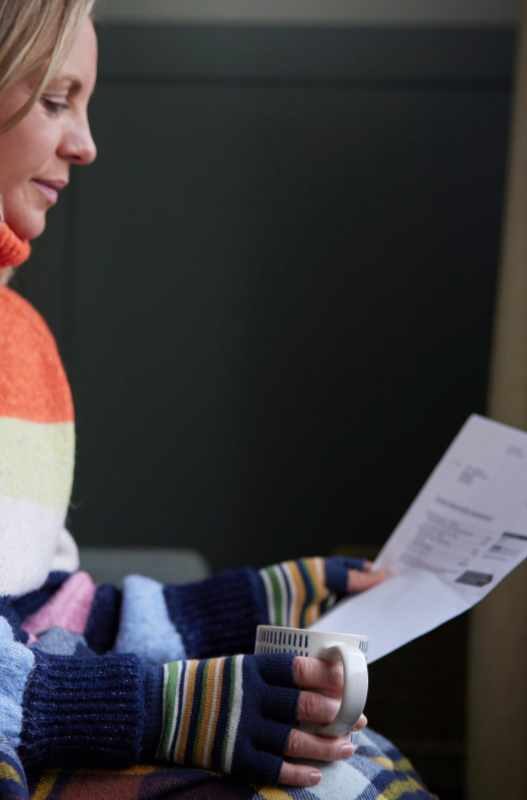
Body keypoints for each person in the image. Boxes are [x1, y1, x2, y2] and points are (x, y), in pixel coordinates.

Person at [0, 3, 434, 798]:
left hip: (45, 723)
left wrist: (262, 602)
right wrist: (165, 712)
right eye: (57, 100)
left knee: (361, 771)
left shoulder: (21, 343)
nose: (86, 144)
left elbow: (43, 616)